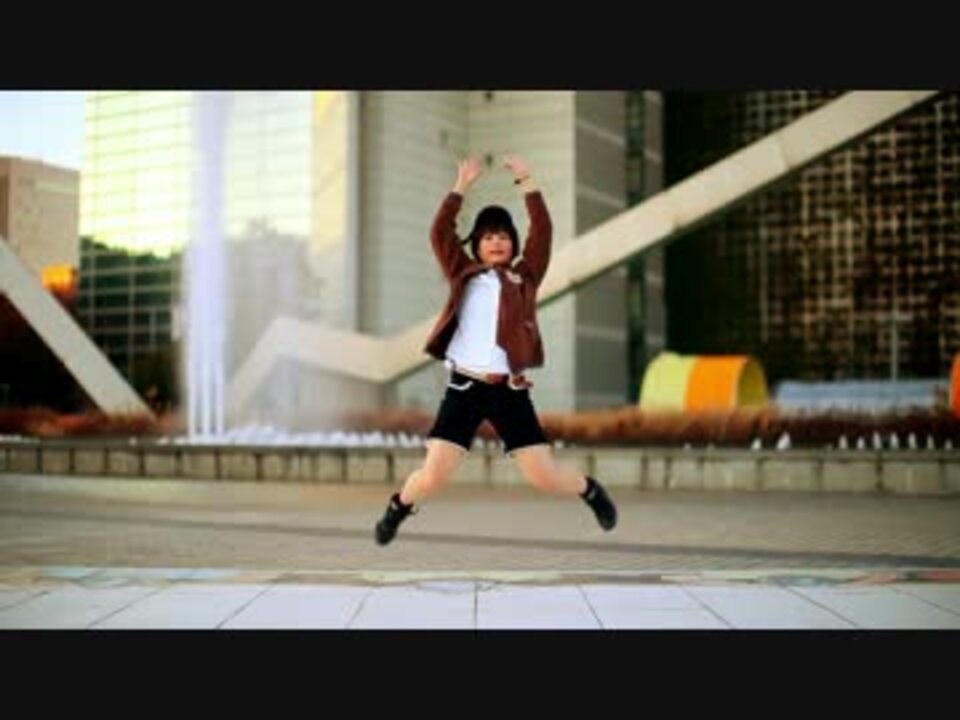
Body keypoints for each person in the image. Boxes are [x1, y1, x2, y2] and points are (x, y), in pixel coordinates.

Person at [374, 154, 618, 546]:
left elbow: (543, 231)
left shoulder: (525, 277)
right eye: (488, 237)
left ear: (513, 244)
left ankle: (590, 491)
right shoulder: (463, 273)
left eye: (503, 236)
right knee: (433, 476)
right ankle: (398, 507)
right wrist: (461, 186)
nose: (497, 242)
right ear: (476, 245)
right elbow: (439, 232)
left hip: (509, 391)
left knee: (544, 477)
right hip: (465, 388)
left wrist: (527, 181)